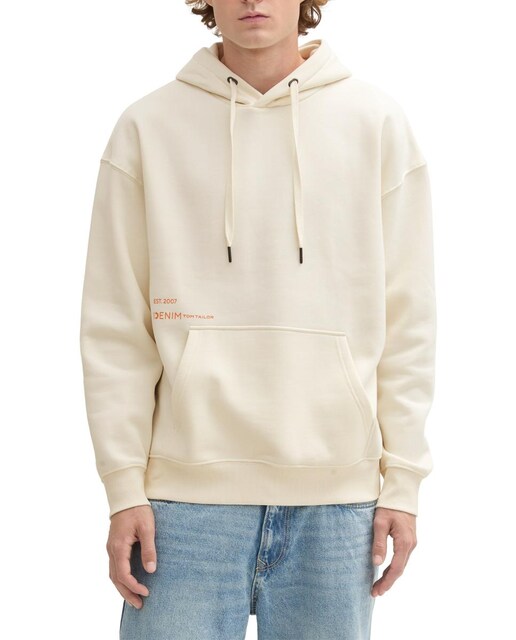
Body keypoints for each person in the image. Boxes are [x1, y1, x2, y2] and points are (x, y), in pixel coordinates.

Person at [79, 1, 437, 638]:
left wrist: (402, 481)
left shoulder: (376, 123)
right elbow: (115, 326)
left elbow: (409, 319)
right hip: (181, 504)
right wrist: (123, 486)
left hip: (338, 503)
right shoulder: (148, 127)